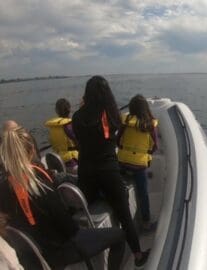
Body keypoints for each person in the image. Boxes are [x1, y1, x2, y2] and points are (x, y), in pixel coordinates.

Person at [0, 125, 126, 270]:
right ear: (31, 151)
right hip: (60, 250)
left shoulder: (3, 188)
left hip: (31, 257)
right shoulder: (41, 181)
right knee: (119, 236)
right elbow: (68, 229)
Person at [72, 75, 149, 268]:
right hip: (108, 172)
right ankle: (138, 255)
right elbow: (112, 132)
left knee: (82, 205)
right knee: (123, 213)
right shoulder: (113, 115)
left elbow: (80, 140)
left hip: (86, 174)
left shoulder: (77, 117)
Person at [117, 94, 159, 231]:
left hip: (122, 163)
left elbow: (118, 140)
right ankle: (146, 222)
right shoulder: (150, 125)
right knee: (143, 194)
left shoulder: (125, 121)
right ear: (145, 108)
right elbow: (154, 146)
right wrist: (146, 155)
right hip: (139, 166)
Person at [45, 98, 79, 174]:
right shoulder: (69, 126)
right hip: (73, 164)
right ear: (69, 109)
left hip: (59, 162)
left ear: (56, 111)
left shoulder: (52, 127)